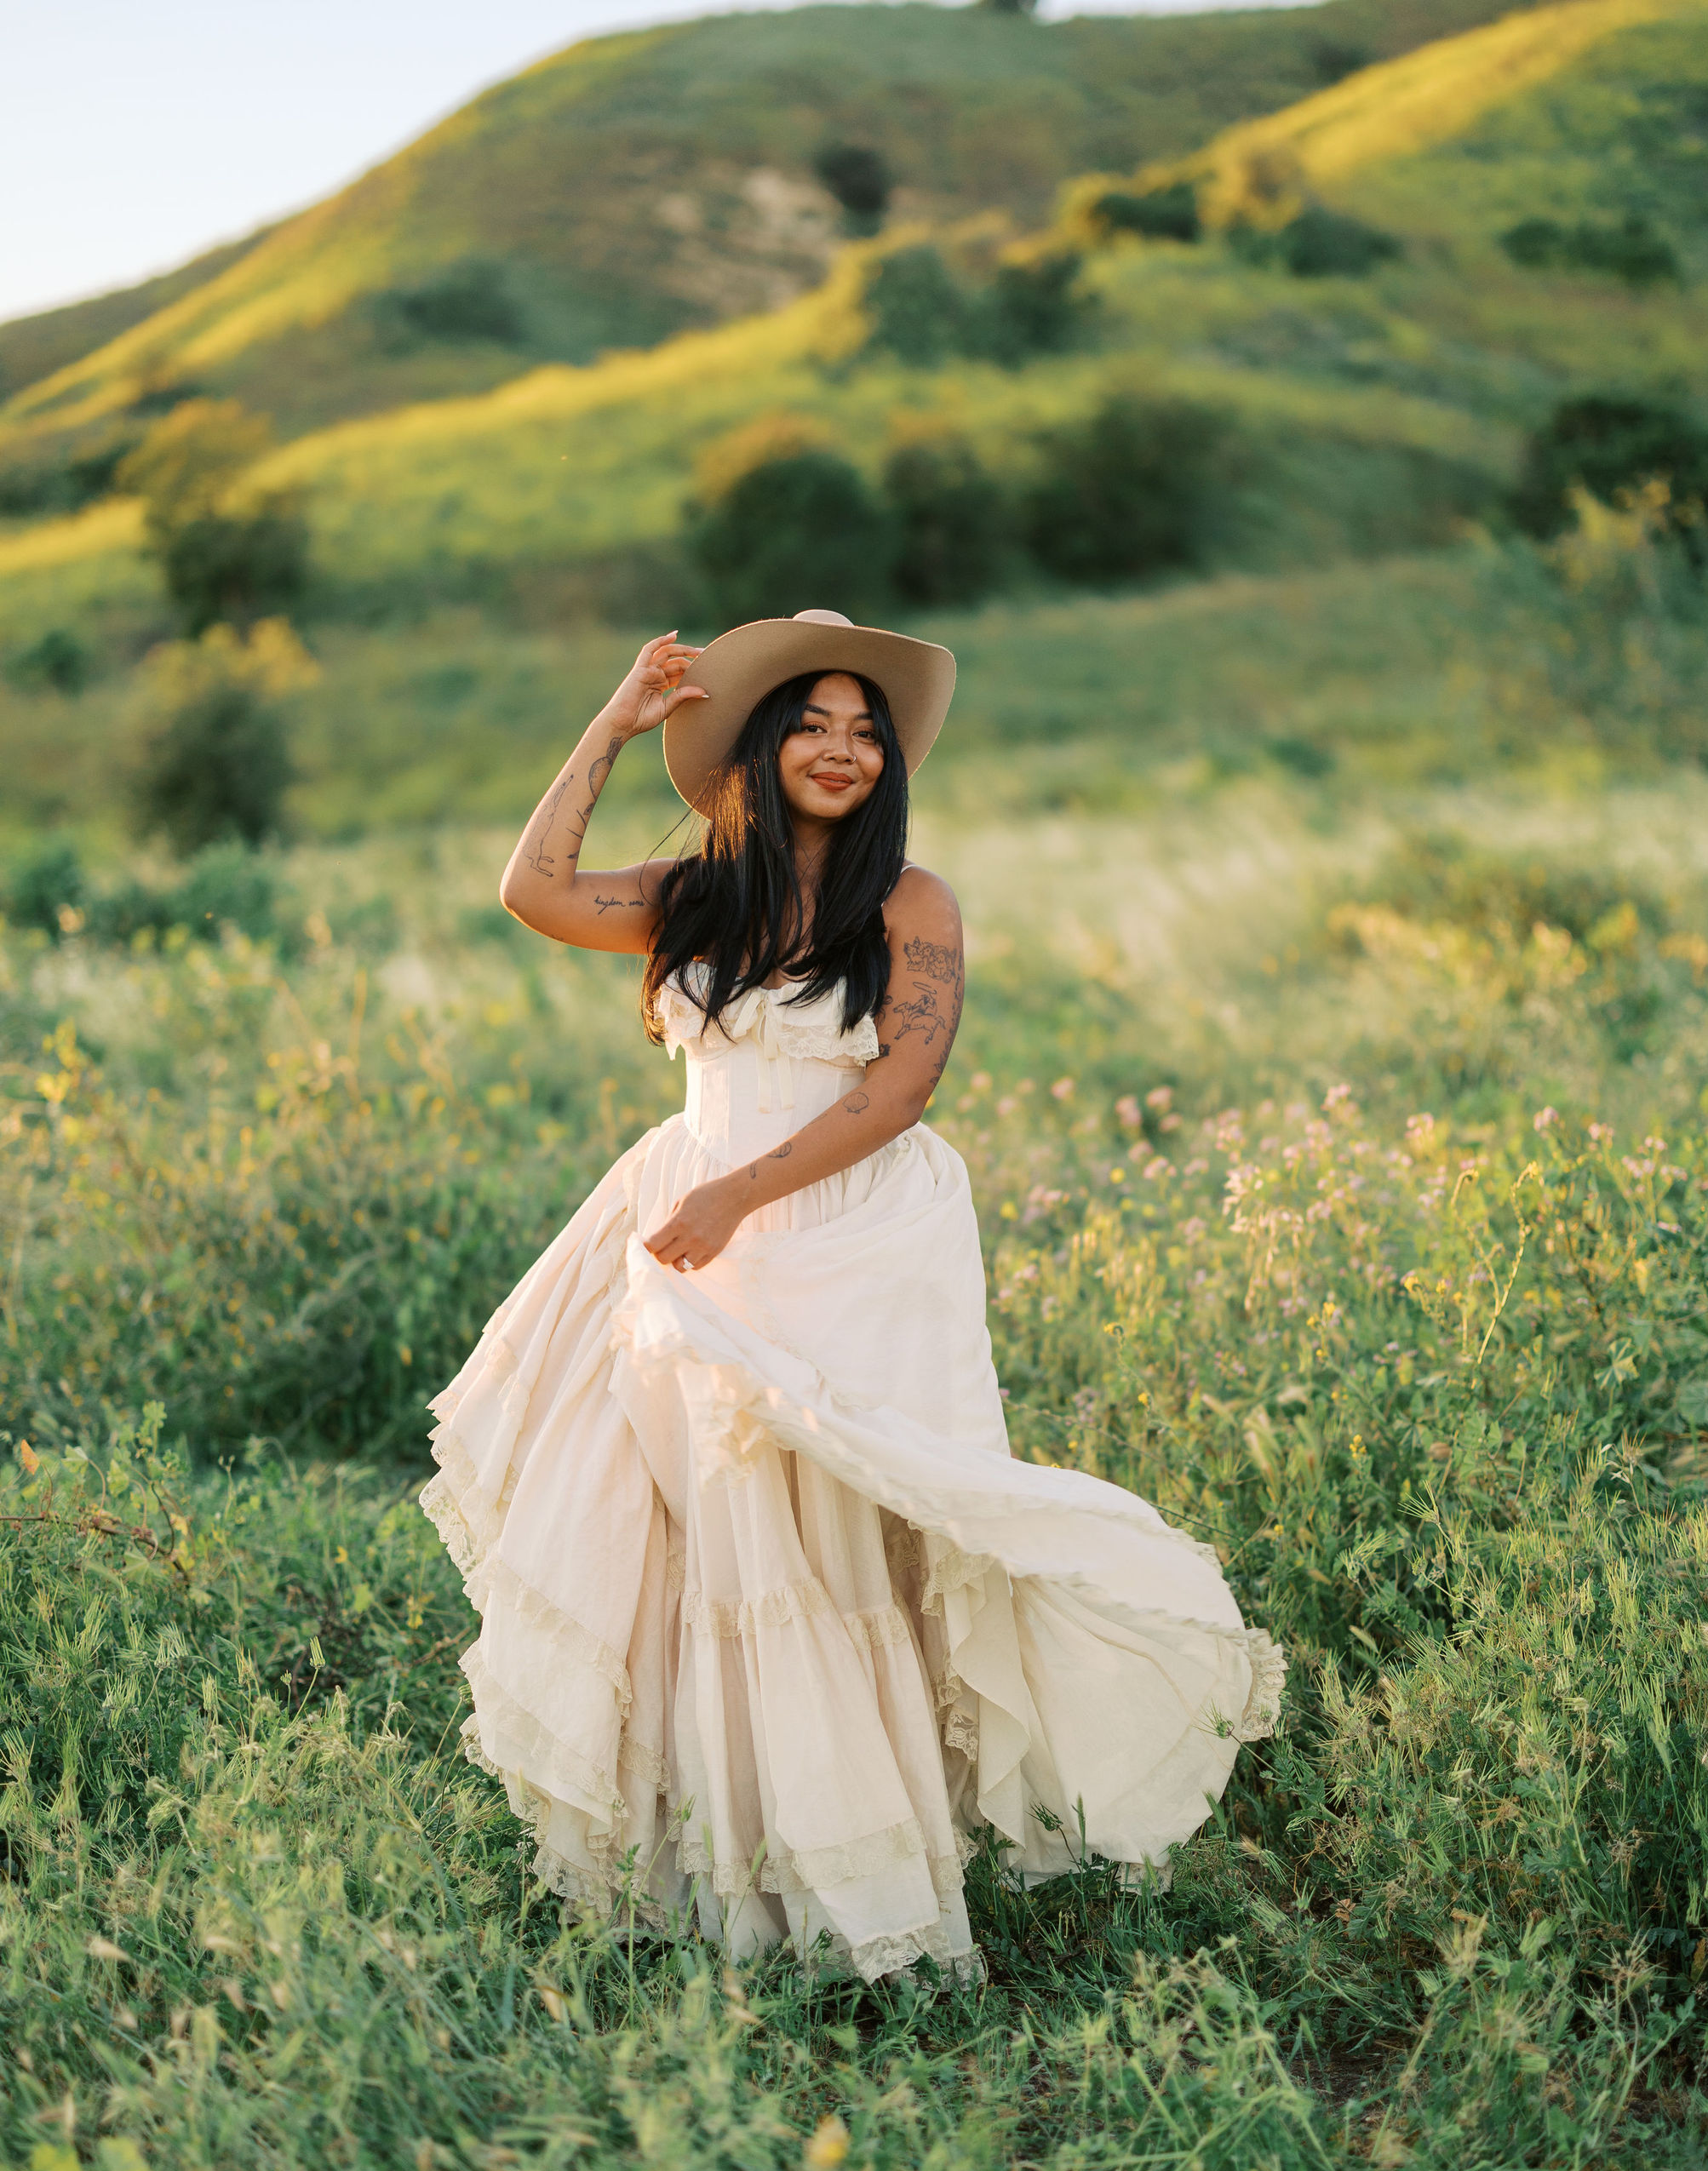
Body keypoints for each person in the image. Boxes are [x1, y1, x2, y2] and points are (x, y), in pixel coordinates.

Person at [421, 608, 1283, 1984]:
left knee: (834, 1534)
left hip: (838, 1226)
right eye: (812, 725)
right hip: (683, 1216)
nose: (842, 749)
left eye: (865, 729)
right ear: (759, 749)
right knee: (693, 1533)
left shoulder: (908, 902)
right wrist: (616, 722)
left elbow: (902, 1088)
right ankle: (720, 1864)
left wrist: (739, 1198)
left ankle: (869, 1872)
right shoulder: (698, 893)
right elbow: (532, 888)